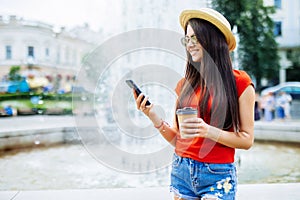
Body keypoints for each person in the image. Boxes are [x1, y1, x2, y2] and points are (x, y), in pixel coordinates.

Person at [133, 8, 255, 199]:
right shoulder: (184, 85)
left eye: (195, 38)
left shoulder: (240, 82)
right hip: (181, 171)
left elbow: (247, 140)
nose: (189, 45)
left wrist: (208, 131)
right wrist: (154, 117)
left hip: (217, 175)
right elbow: (177, 140)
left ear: (213, 39)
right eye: (186, 39)